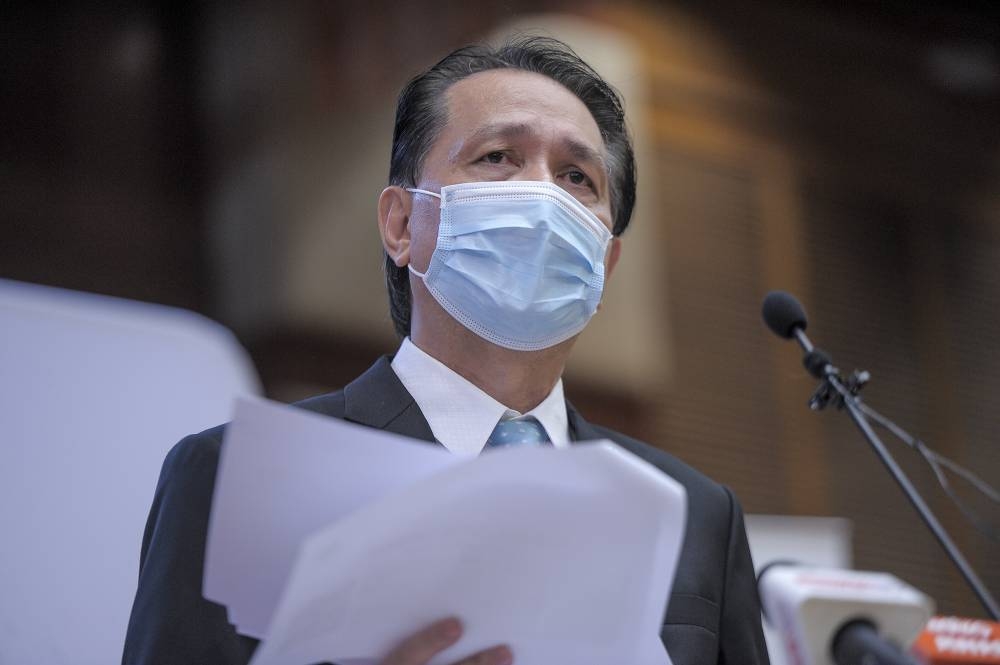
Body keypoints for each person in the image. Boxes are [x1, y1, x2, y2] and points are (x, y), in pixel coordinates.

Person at [122, 37, 770, 665]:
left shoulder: (696, 511)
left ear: (607, 261)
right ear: (402, 225)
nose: (543, 196)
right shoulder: (241, 478)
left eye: (577, 176)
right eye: (496, 157)